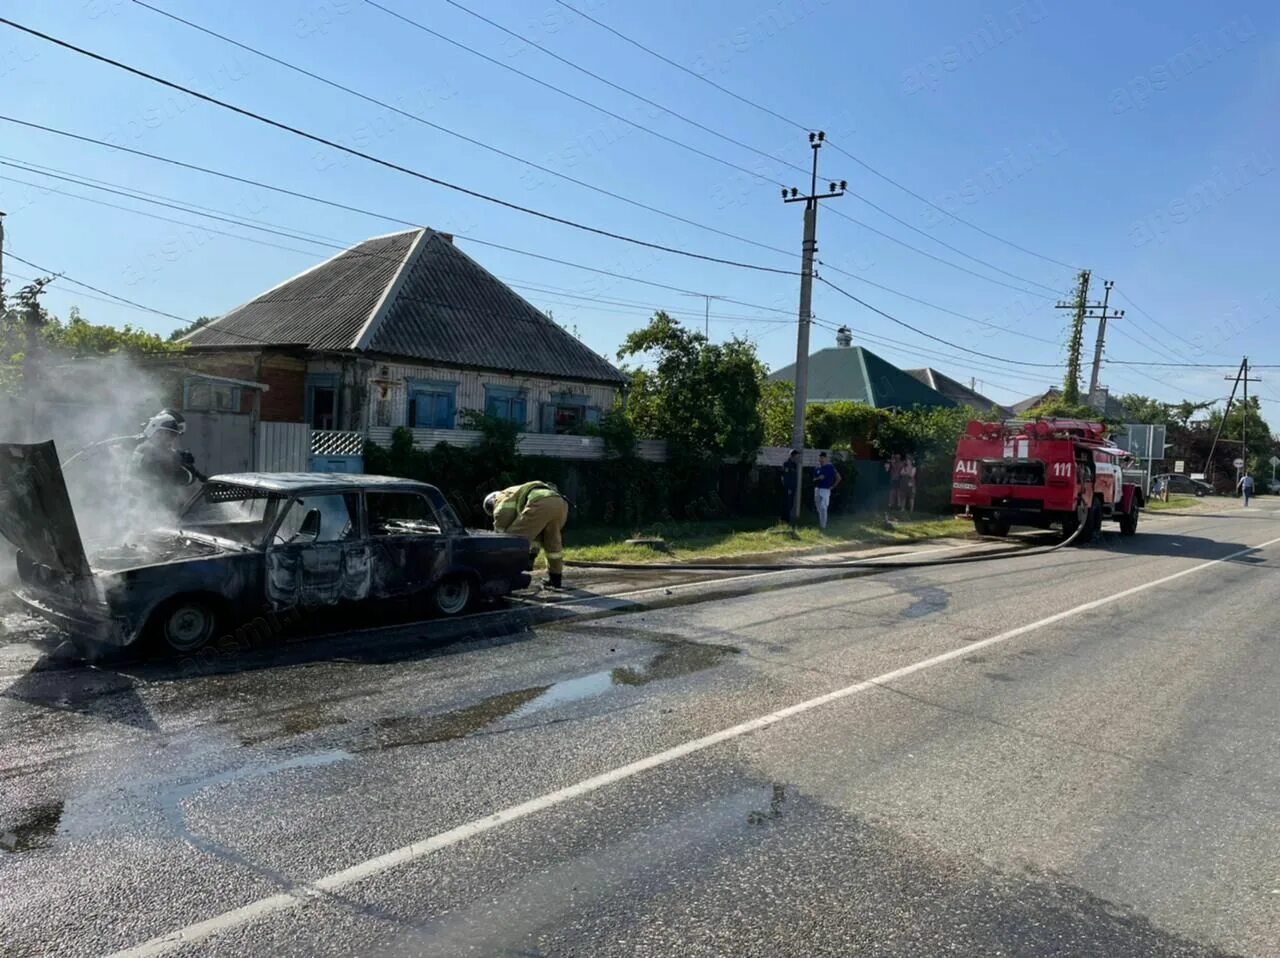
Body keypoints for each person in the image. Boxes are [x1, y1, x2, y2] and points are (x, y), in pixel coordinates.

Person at [484, 480, 570, 589]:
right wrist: (532, 554)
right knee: (552, 545)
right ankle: (555, 579)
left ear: (491, 500)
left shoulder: (502, 497)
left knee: (512, 540)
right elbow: (534, 535)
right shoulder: (516, 493)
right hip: (560, 504)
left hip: (541, 502)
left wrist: (498, 540)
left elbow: (502, 520)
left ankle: (507, 578)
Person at [129, 409, 205, 511]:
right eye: (166, 433)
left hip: (157, 509)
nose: (170, 438)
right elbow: (176, 476)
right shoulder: (145, 450)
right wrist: (180, 461)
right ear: (154, 431)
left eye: (173, 435)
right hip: (145, 511)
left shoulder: (159, 451)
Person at [813, 451, 842, 530]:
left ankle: (823, 526)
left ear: (826, 458)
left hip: (825, 490)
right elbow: (813, 479)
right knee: (819, 508)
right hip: (817, 489)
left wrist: (832, 486)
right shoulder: (817, 468)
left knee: (823, 507)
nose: (821, 459)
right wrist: (819, 478)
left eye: (823, 458)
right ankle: (821, 523)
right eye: (820, 458)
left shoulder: (830, 467)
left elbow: (839, 478)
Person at [781, 450, 800, 524]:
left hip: (792, 487)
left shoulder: (794, 464)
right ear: (793, 455)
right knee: (788, 503)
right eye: (796, 455)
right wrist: (788, 487)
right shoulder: (786, 464)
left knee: (790, 503)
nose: (797, 457)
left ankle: (785, 519)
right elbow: (785, 477)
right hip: (788, 487)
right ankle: (786, 519)